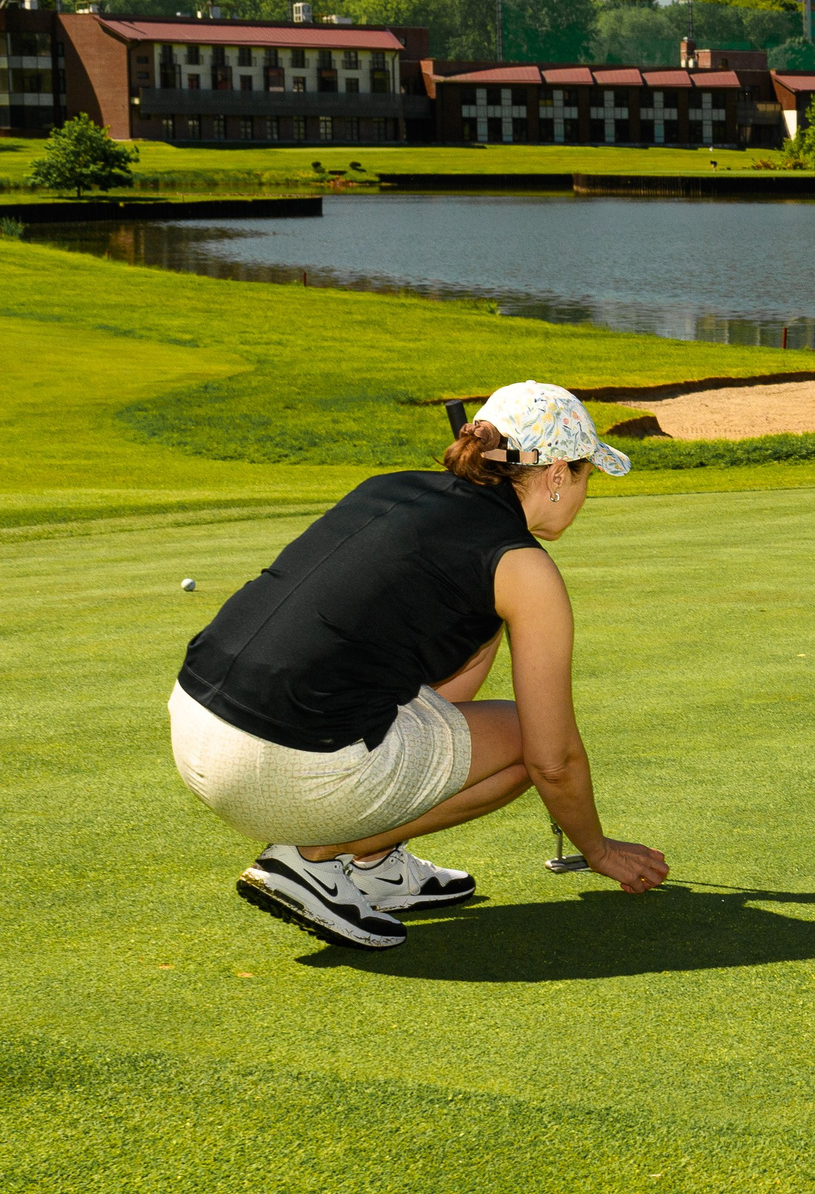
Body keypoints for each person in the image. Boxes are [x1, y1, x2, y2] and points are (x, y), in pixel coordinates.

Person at [168, 382, 668, 950]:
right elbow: (553, 760)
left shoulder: (388, 490)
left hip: (195, 730)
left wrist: (497, 620)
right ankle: (314, 857)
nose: (583, 494)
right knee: (529, 742)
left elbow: (436, 704)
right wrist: (597, 851)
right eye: (585, 476)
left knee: (472, 733)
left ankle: (374, 864)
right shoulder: (522, 566)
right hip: (288, 766)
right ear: (557, 475)